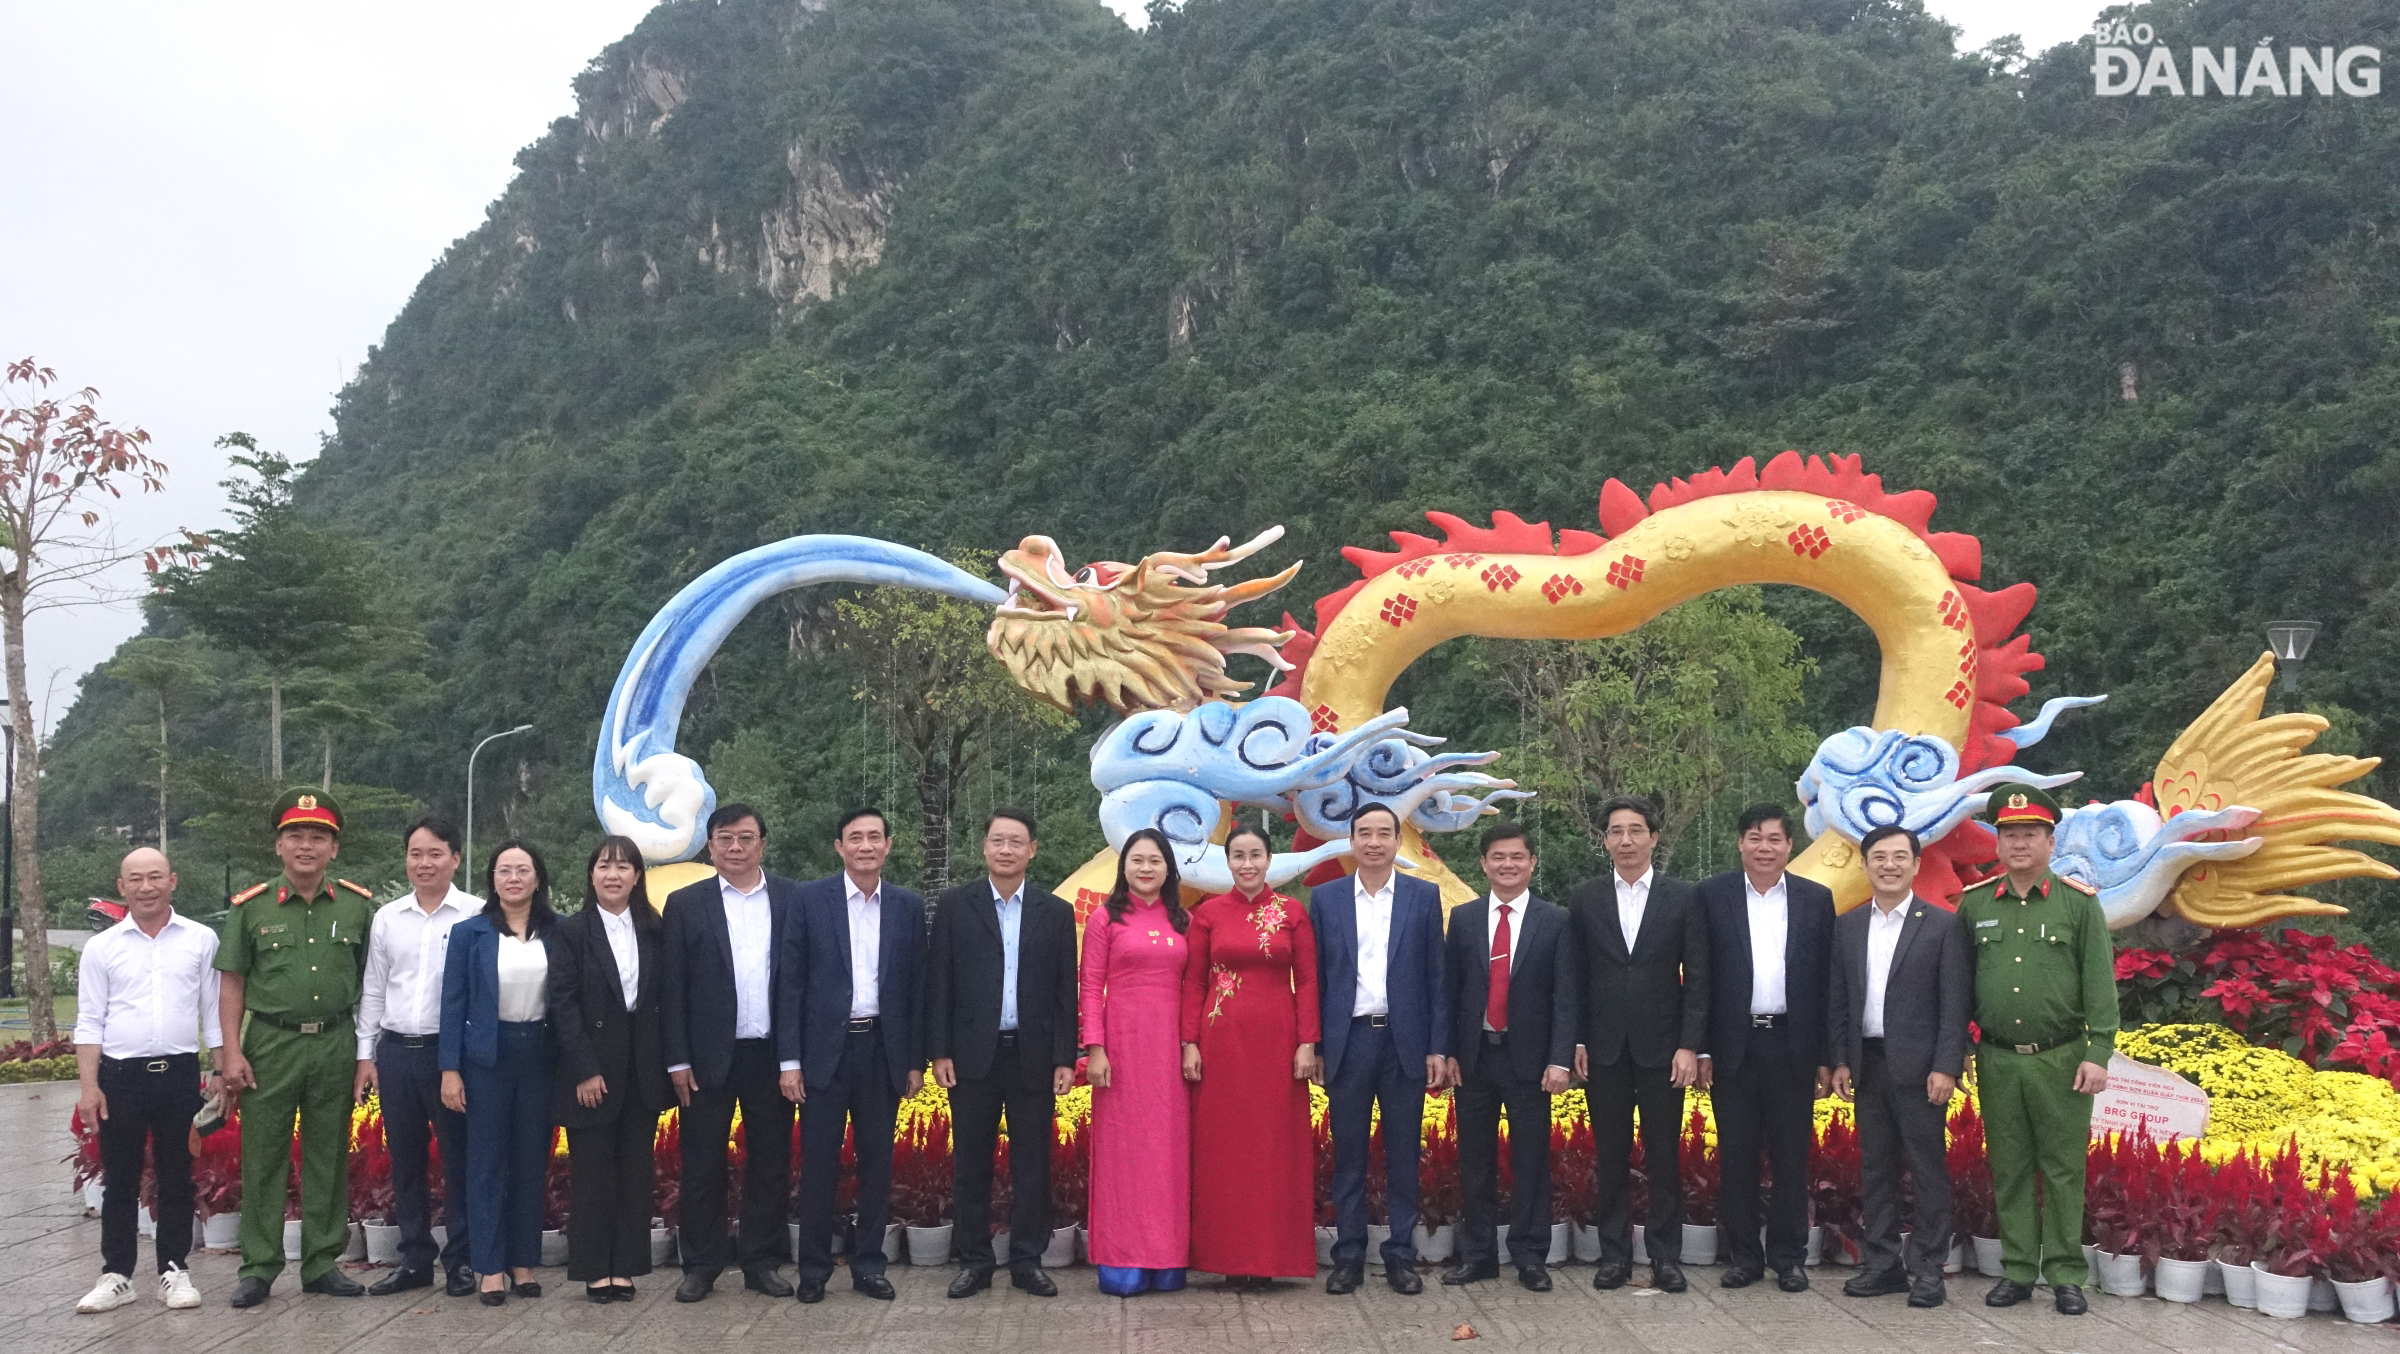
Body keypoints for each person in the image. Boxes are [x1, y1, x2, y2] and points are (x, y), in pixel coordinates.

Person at [1957, 783, 2116, 1316]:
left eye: (2030, 834)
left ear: (2051, 842)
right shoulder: (1975, 905)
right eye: (2009, 834)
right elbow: (1958, 987)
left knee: (2064, 1168)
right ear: (1997, 844)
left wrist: (2099, 1051)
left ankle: (2067, 1274)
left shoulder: (2078, 905)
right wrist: (1958, 1046)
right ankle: (2020, 1270)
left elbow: (2099, 986)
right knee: (2010, 1167)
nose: (2019, 844)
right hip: (1999, 1058)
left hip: (2063, 1059)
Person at [216, 789, 378, 1308]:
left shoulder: (357, 907)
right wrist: (230, 1053)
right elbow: (233, 983)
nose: (306, 846)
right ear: (278, 846)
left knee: (328, 1154)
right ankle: (259, 1267)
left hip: (334, 1040)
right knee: (262, 1156)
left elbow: (371, 983)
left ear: (334, 849)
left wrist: (363, 1053)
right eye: (296, 836)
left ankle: (321, 1263)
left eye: (318, 837)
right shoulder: (252, 907)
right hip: (270, 1044)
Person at [924, 809, 1079, 1300]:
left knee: (1032, 1163)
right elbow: (940, 984)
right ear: (985, 847)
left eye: (1016, 842)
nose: (1006, 849)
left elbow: (1063, 993)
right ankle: (975, 1260)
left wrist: (1063, 1057)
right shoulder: (954, 906)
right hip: (972, 1056)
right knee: (971, 1163)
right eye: (997, 840)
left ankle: (1027, 1260)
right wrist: (940, 1050)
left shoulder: (1054, 912)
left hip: (1031, 1054)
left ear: (1033, 849)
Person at [779, 807, 925, 1304]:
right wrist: (790, 1061)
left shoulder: (907, 906)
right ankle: (814, 1271)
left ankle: (869, 1266)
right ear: (839, 847)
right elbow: (791, 983)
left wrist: (913, 1061)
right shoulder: (809, 899)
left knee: (877, 1166)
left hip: (883, 1051)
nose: (865, 846)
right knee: (818, 1166)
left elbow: (915, 989)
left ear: (888, 845)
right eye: (854, 838)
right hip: (824, 1054)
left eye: (874, 837)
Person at [1562, 794, 1706, 1293]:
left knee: (1665, 1155)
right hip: (1603, 1048)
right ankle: (1614, 1256)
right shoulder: (1585, 897)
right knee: (1611, 1155)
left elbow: (1699, 979)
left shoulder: (1683, 897)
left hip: (1664, 1050)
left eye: (1635, 830)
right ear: (1605, 840)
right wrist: (1575, 1039)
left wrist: (1691, 1045)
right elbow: (1574, 977)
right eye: (1616, 832)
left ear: (1653, 837)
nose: (1626, 840)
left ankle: (1666, 1258)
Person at [660, 803, 803, 1302]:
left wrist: (794, 1058)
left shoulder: (792, 899)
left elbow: (800, 984)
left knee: (769, 1163)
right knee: (702, 1164)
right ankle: (701, 1266)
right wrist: (677, 1059)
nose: (736, 848)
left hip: (771, 1056)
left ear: (762, 842)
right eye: (725, 839)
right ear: (710, 845)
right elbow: (671, 988)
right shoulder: (685, 903)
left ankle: (761, 1262)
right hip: (705, 1060)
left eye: (745, 838)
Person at [72, 847, 224, 1314]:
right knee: (120, 1179)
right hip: (120, 1078)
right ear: (121, 887)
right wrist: (88, 1087)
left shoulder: (200, 939)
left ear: (172, 881)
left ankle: (173, 1270)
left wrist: (219, 1070)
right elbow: (89, 1021)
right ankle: (117, 1274)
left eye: (155, 877)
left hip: (178, 1075)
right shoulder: (103, 947)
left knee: (177, 1177)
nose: (146, 887)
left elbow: (213, 1010)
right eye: (135, 879)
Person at [1308, 803, 1448, 1296]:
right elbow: (1315, 980)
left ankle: (1400, 1256)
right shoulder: (1324, 900)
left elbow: (1437, 977)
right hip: (1348, 1041)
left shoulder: (1422, 896)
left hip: (1404, 1041)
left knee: (1403, 1153)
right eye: (1364, 833)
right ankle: (1347, 1255)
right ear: (1351, 842)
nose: (1373, 842)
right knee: (1348, 1152)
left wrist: (1437, 1046)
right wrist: (1318, 1045)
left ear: (1396, 841)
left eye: (1383, 833)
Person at [1829, 825, 1970, 1309]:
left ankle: (1929, 1269)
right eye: (1879, 857)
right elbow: (1839, 1001)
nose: (1889, 865)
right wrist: (1842, 1059)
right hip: (1867, 1064)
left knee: (1928, 1170)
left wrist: (1947, 1065)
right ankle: (1883, 1263)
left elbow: (1955, 1004)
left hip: (1921, 1069)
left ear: (1915, 864)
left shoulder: (1943, 925)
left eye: (1899, 857)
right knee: (1876, 1169)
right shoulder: (1846, 926)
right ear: (1865, 865)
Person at [1696, 803, 1835, 1292]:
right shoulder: (1712, 897)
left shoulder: (1816, 899)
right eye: (1755, 838)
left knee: (1791, 1156)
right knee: (1736, 1155)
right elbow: (1700, 979)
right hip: (1734, 1047)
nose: (1764, 848)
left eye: (1774, 839)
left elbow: (1826, 985)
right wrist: (1700, 1048)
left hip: (1791, 1044)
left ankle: (1789, 1257)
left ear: (1789, 846)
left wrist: (1825, 1054)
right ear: (1740, 843)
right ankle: (1745, 1257)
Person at [1182, 823, 1322, 1290]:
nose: (1247, 864)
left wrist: (1308, 1042)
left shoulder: (1291, 911)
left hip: (1277, 1046)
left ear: (1269, 860)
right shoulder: (1207, 914)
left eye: (1255, 855)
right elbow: (1195, 982)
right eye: (1238, 855)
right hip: (1221, 1043)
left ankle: (1269, 1258)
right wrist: (1190, 1042)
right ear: (1228, 862)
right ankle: (1228, 1256)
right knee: (1224, 1150)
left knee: (1273, 1150)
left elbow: (1308, 980)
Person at [1440, 822, 1575, 1292]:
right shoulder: (1465, 918)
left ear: (1532, 862)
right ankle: (1477, 1255)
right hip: (1475, 1058)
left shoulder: (1554, 920)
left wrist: (1560, 1059)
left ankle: (1530, 1255)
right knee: (1474, 1162)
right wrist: (1449, 1051)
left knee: (1530, 1161)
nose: (1508, 865)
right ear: (1483, 863)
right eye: (1498, 857)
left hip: (1531, 1063)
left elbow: (1565, 997)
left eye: (1518, 857)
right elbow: (1450, 991)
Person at [354, 816, 479, 1298]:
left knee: (458, 1160)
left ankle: (463, 1259)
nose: (423, 863)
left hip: (451, 1058)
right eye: (415, 854)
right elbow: (374, 989)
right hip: (397, 1054)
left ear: (456, 858)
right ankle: (414, 1259)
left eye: (434, 854)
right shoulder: (388, 917)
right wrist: (367, 1054)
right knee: (404, 1160)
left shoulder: (476, 914)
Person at [549, 836, 672, 1302]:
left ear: (637, 876)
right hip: (592, 1074)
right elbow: (562, 1004)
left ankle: (627, 1267)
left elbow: (662, 1002)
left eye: (623, 867)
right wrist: (584, 1068)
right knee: (594, 1175)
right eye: (604, 866)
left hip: (642, 1072)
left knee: (637, 1175)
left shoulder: (654, 928)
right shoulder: (572, 931)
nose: (613, 875)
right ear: (591, 875)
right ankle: (593, 1269)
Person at [439, 841, 560, 1306]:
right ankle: (489, 1267)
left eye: (522, 869)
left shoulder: (559, 931)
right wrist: (450, 1069)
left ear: (537, 878)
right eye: (504, 870)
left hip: (539, 1058)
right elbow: (452, 1004)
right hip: (485, 1059)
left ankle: (522, 1263)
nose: (513, 877)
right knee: (485, 1164)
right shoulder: (470, 933)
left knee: (531, 1162)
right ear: (492, 878)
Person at [1079, 828, 1193, 1296]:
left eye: (1155, 861)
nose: (1145, 868)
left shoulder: (1183, 919)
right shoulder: (1106, 919)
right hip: (1122, 1051)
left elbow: (1193, 988)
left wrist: (1190, 1044)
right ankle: (1123, 1258)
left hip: (1169, 1053)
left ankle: (1166, 1258)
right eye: (1136, 860)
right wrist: (1095, 1049)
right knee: (1123, 1155)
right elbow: (1090, 986)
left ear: (1169, 869)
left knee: (1167, 1154)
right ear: (1123, 867)